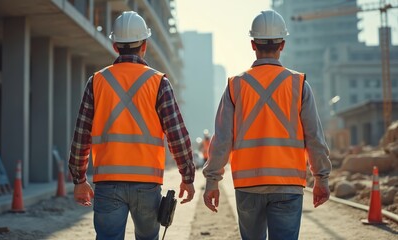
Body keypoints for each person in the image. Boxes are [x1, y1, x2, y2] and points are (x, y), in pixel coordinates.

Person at [202, 10, 331, 240]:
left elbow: (222, 140)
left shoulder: (236, 86)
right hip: (288, 185)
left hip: (248, 185)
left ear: (253, 44)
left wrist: (212, 181)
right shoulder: (299, 85)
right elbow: (314, 137)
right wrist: (321, 178)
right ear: (282, 44)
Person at [68, 11, 196, 240]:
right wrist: (187, 176)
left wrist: (79, 180)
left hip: (108, 182)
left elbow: (81, 135)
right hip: (147, 185)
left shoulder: (96, 81)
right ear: (144, 45)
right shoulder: (159, 82)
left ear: (115, 46)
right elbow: (177, 134)